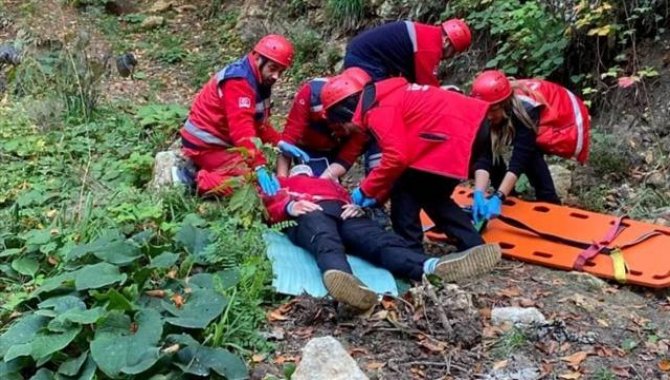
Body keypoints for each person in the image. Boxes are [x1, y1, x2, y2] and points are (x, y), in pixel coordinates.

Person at [263, 164, 502, 310]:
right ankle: (344, 280)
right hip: (307, 209)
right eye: (299, 169)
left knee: (377, 239)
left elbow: (359, 198)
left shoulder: (333, 185)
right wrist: (288, 207)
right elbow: (268, 201)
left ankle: (431, 266)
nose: (304, 171)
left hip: (343, 209)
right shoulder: (281, 182)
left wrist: (358, 207)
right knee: (324, 238)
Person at [320, 70, 492, 254]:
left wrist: (363, 192)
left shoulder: (378, 110)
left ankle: (412, 252)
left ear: (345, 112)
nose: (349, 130)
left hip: (458, 132)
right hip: (469, 126)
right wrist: (376, 196)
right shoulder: (385, 97)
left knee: (408, 191)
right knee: (429, 193)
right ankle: (474, 246)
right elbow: (398, 161)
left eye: (343, 125)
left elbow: (396, 158)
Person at [179, 34, 303, 197]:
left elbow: (258, 124)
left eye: (281, 71)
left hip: (219, 141)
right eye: (273, 69)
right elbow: (242, 130)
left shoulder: (259, 79)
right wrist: (258, 165)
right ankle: (195, 180)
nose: (276, 76)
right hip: (205, 145)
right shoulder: (239, 82)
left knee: (255, 177)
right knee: (250, 185)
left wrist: (279, 142)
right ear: (258, 58)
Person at [469, 70, 591, 223]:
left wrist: (499, 197)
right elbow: (485, 155)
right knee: (487, 144)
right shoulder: (486, 107)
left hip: (564, 116)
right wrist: (478, 193)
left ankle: (550, 203)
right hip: (522, 115)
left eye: (493, 111)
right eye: (485, 111)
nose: (488, 116)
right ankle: (510, 198)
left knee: (531, 156)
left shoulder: (526, 109)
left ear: (505, 104)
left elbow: (520, 159)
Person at [276, 68, 372, 181]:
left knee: (326, 188)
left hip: (336, 148)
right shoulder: (311, 95)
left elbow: (347, 157)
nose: (347, 132)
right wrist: (282, 181)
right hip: (309, 145)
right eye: (345, 129)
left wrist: (327, 177)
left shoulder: (363, 118)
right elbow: (288, 141)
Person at [343, 19, 472, 86]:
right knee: (380, 101)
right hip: (364, 59)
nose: (450, 57)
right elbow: (427, 86)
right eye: (453, 51)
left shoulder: (427, 35)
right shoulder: (429, 47)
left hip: (362, 53)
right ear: (447, 42)